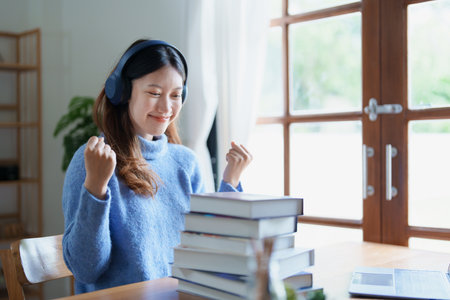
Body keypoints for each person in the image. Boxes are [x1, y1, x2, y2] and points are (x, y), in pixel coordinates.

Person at [62, 39, 252, 294]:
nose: (166, 107)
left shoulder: (186, 163)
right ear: (122, 92)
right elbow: (86, 269)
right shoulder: (92, 161)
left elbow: (208, 254)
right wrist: (96, 187)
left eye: (175, 95)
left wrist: (229, 183)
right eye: (154, 93)